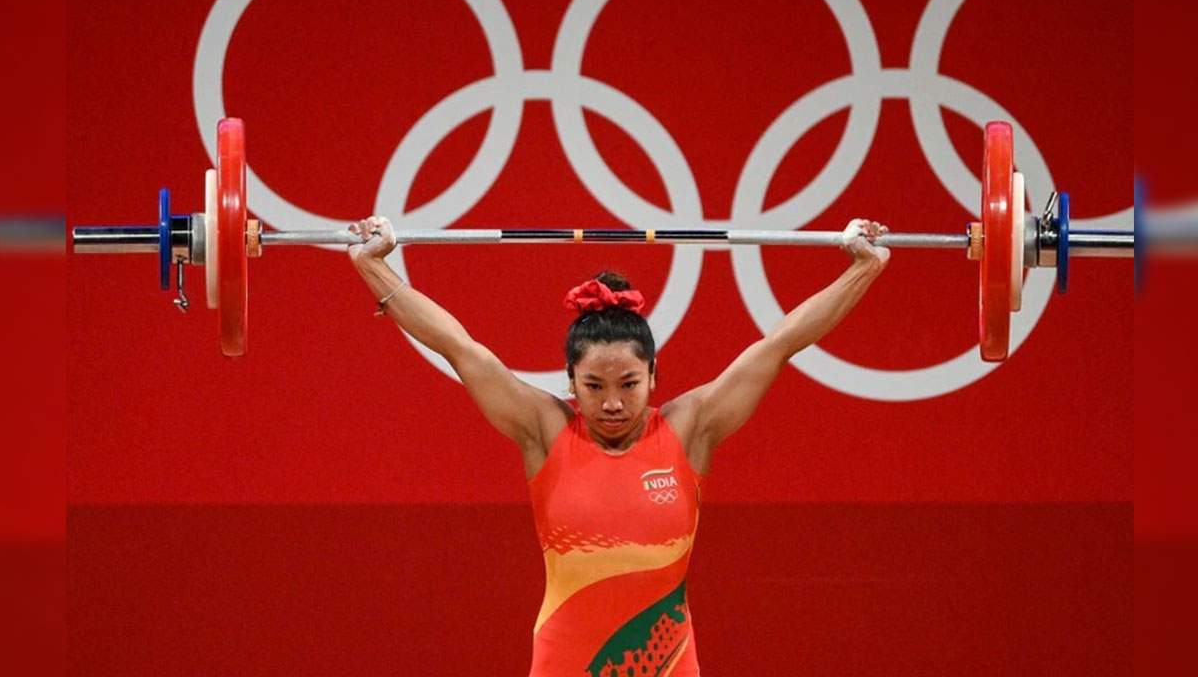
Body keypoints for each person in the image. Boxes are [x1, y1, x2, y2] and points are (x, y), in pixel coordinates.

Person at [347, 217, 889, 677]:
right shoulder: (544, 430)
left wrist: (863, 267)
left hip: (668, 665)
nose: (612, 403)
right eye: (594, 386)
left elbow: (782, 343)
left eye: (629, 384)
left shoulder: (691, 428)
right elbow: (458, 347)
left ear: (653, 375)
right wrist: (373, 265)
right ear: (570, 381)